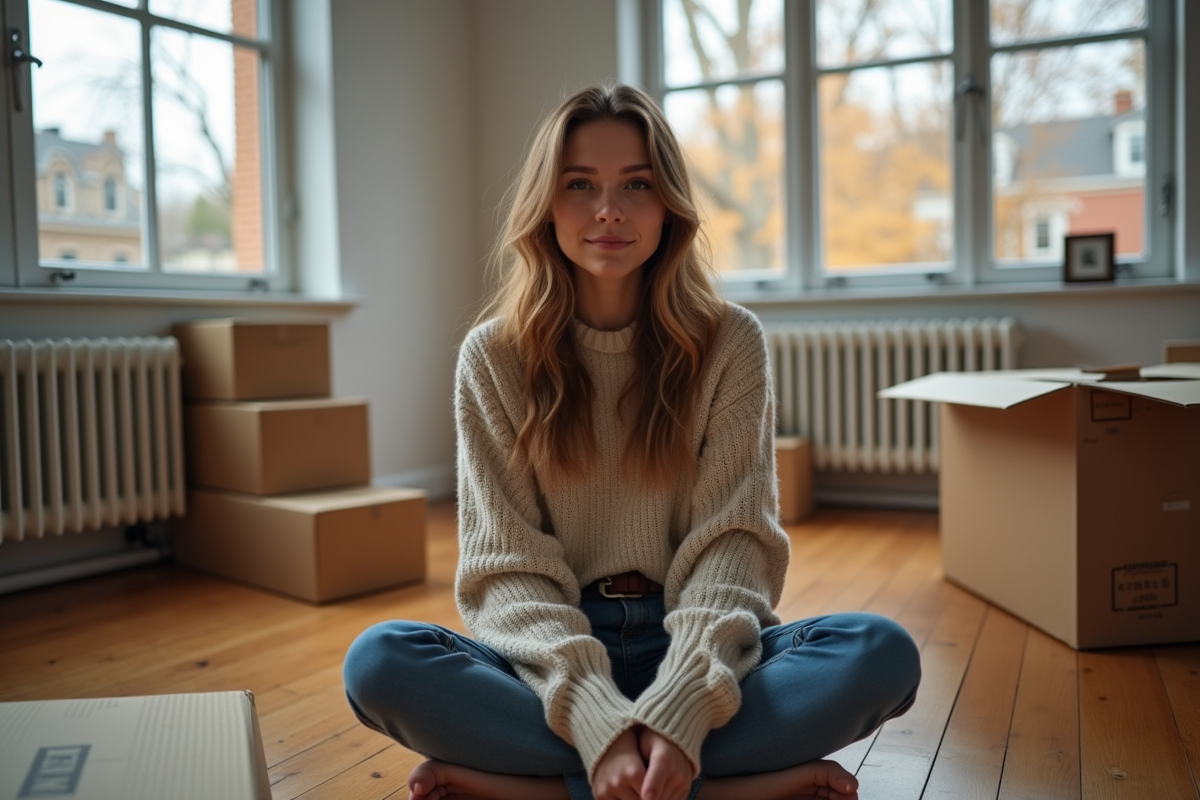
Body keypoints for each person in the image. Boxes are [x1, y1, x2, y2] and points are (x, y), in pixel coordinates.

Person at [343, 83, 921, 800]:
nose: (608, 210)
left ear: (668, 203)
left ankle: (545, 789)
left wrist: (679, 707)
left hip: (696, 643)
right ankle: (720, 787)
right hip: (549, 655)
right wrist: (596, 716)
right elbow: (508, 567)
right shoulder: (492, 356)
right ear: (546, 204)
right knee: (379, 663)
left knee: (881, 654)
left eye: (636, 185)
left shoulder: (731, 341)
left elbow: (733, 546)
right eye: (580, 184)